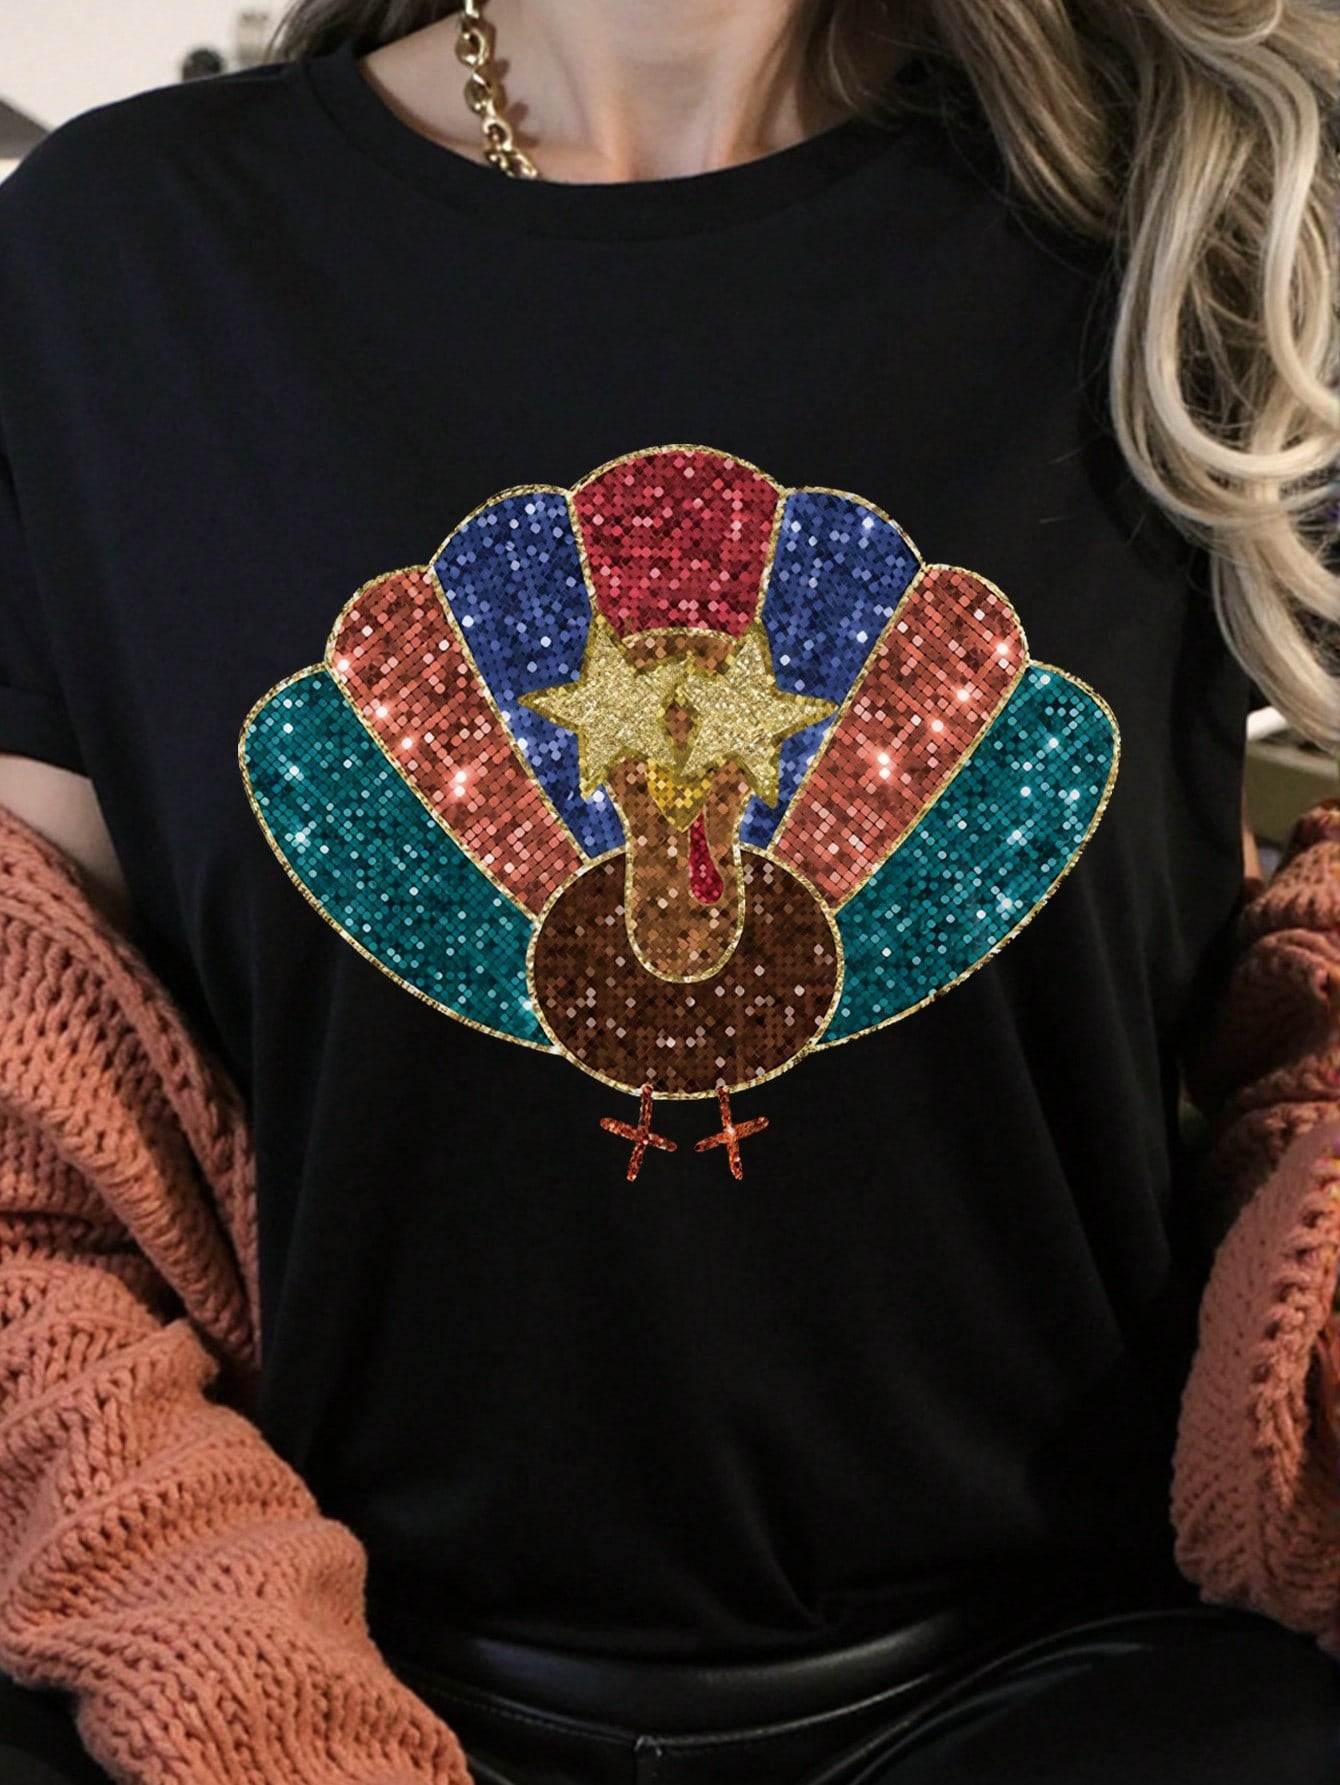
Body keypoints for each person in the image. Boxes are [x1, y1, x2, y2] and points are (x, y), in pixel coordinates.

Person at [0, 1, 1338, 1781]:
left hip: (1095, 1688)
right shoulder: (121, 267)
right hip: (329, 1655)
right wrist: (242, 1691)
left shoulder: (1201, 223)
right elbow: (30, 1156)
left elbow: (1302, 988)